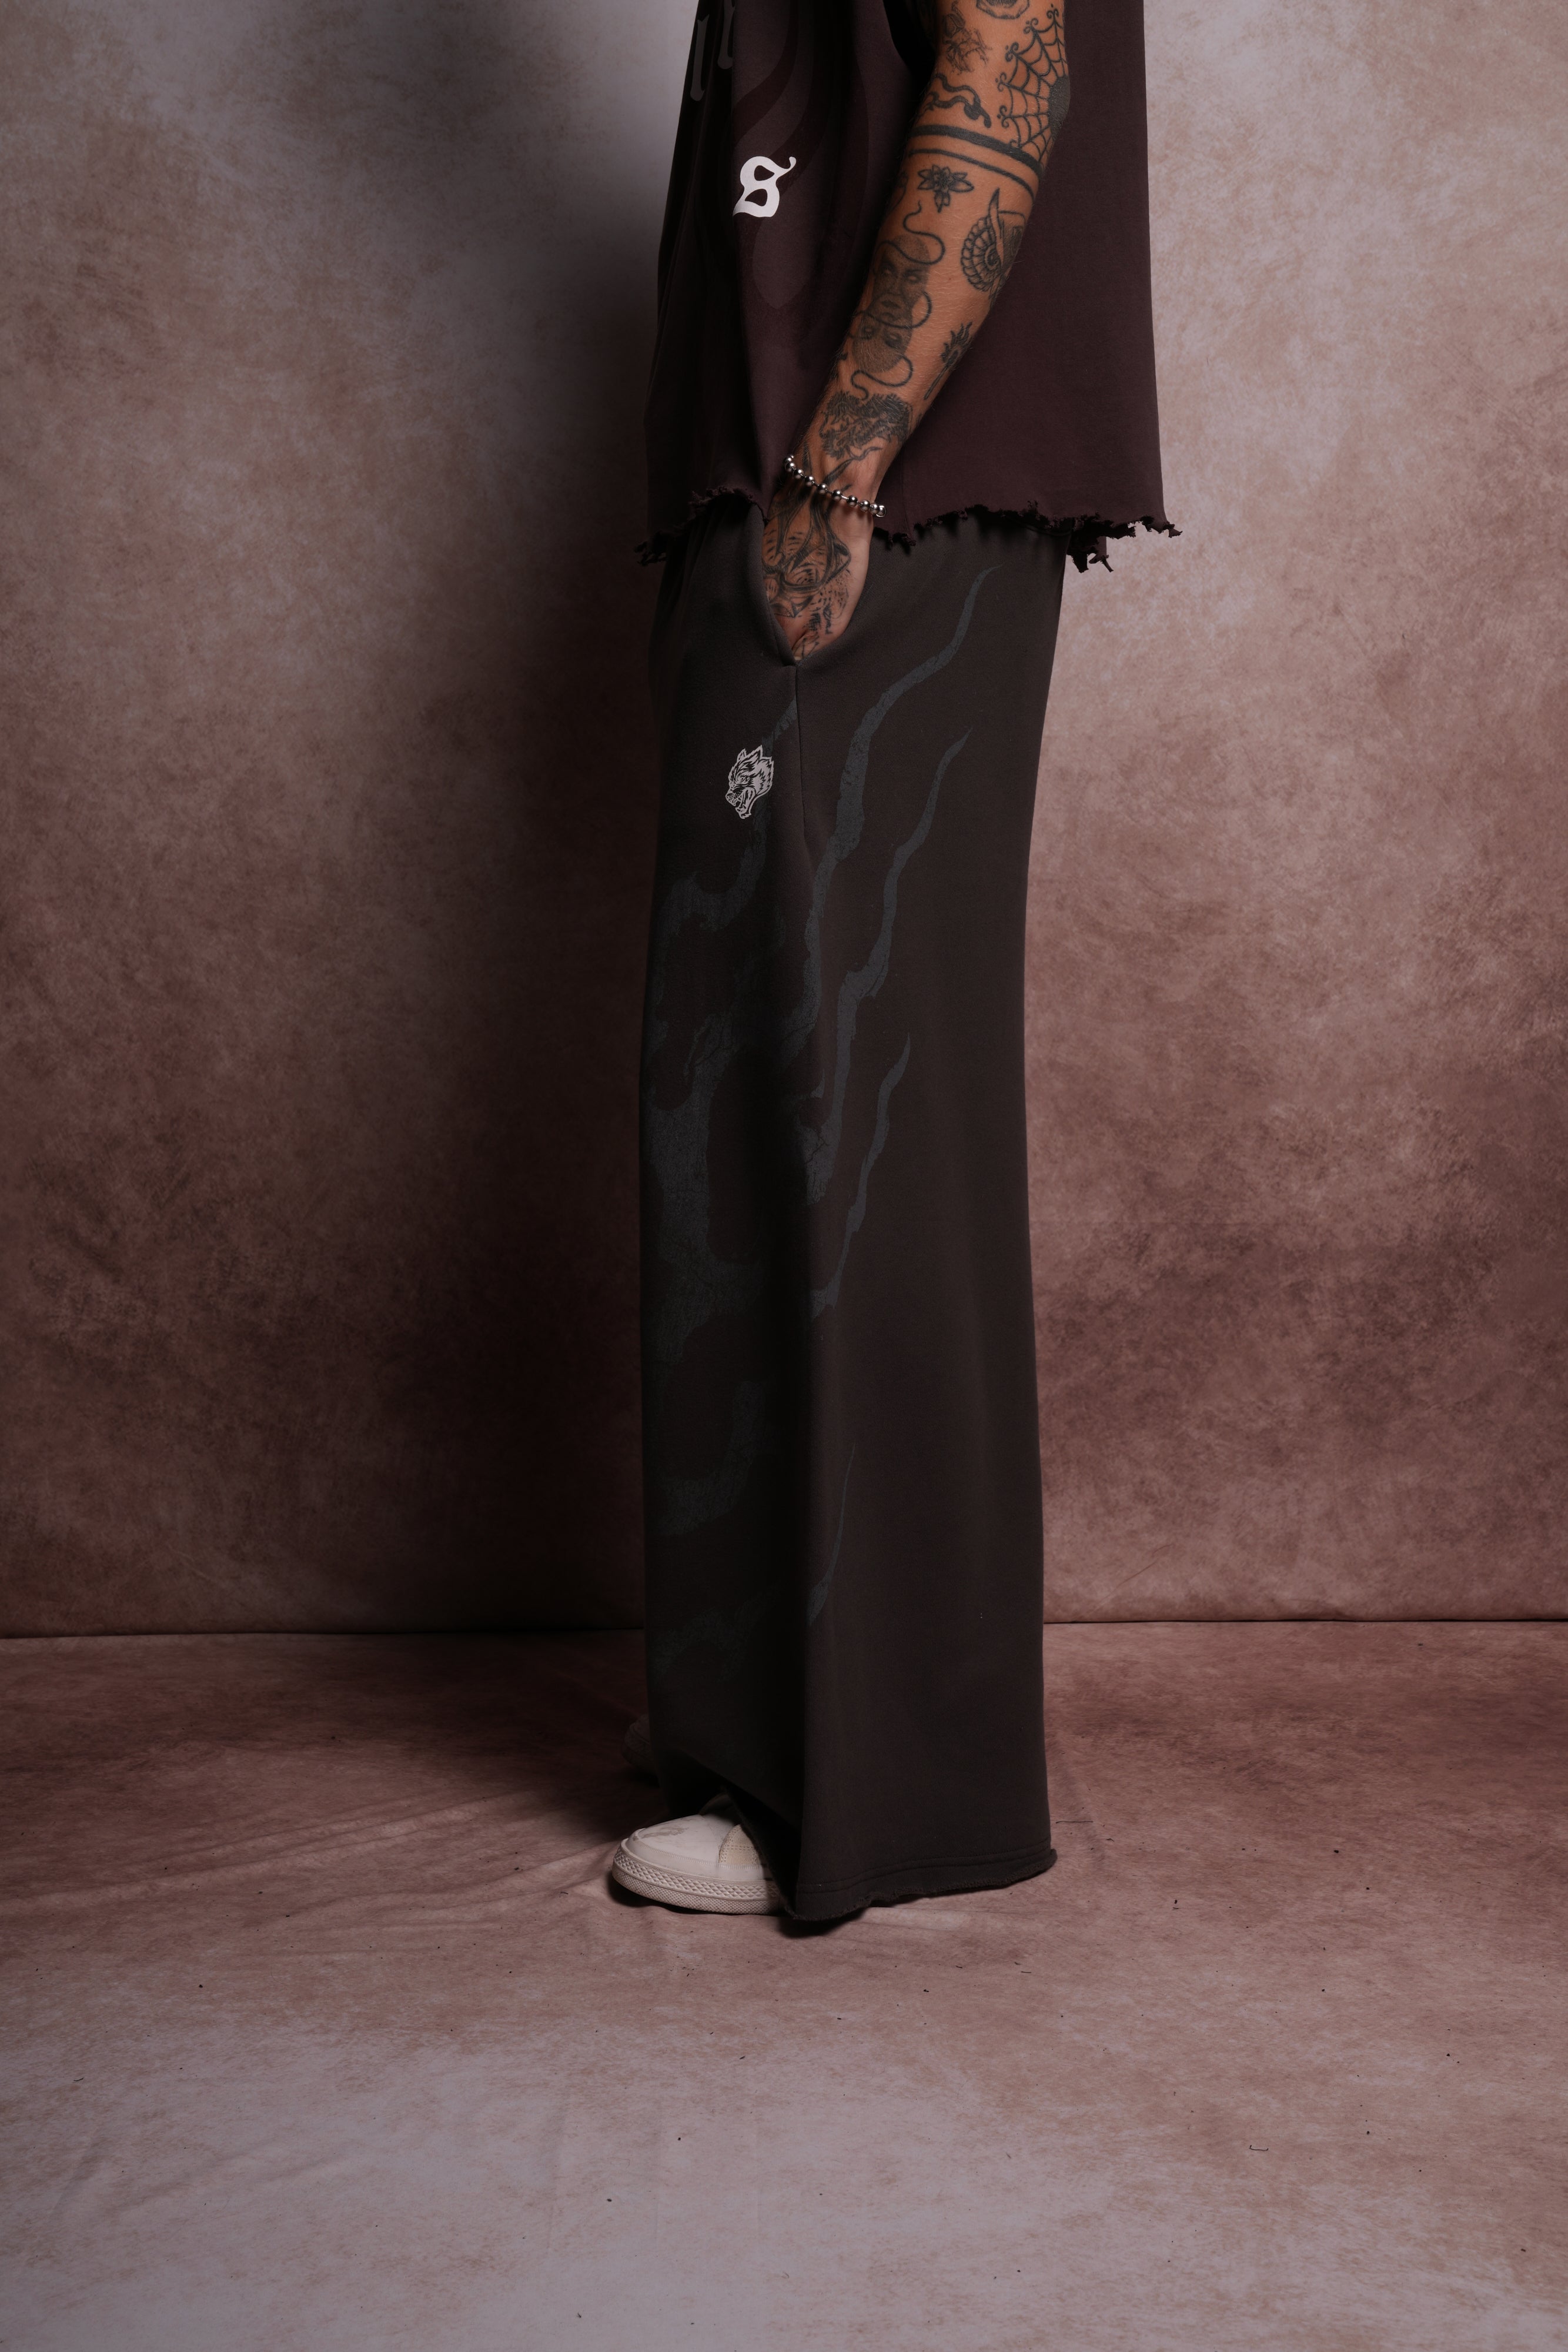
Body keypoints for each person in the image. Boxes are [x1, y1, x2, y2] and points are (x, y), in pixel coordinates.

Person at [611, 0, 1171, 1919]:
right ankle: (779, 1716)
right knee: (755, 1102)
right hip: (812, 487)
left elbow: (1010, 53)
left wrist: (839, 466)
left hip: (863, 497)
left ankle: (863, 1782)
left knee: (833, 1111)